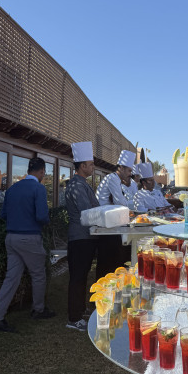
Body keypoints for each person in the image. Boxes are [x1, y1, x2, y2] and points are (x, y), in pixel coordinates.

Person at [0, 158, 55, 333]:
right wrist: (47, 223)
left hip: (11, 238)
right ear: (42, 171)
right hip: (29, 237)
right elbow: (42, 216)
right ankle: (38, 310)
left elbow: (3, 214)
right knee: (38, 274)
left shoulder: (12, 189)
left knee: (11, 278)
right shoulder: (38, 188)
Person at [65, 142, 99, 332]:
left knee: (82, 275)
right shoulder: (76, 185)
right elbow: (88, 212)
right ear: (82, 166)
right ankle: (74, 318)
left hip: (85, 236)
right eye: (91, 164)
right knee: (78, 277)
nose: (93, 167)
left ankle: (79, 308)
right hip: (80, 237)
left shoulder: (81, 184)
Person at [95, 150, 136, 278]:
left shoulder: (116, 180)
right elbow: (121, 202)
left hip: (109, 223)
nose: (130, 174)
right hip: (105, 225)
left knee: (110, 260)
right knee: (108, 262)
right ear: (121, 168)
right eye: (129, 171)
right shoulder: (113, 178)